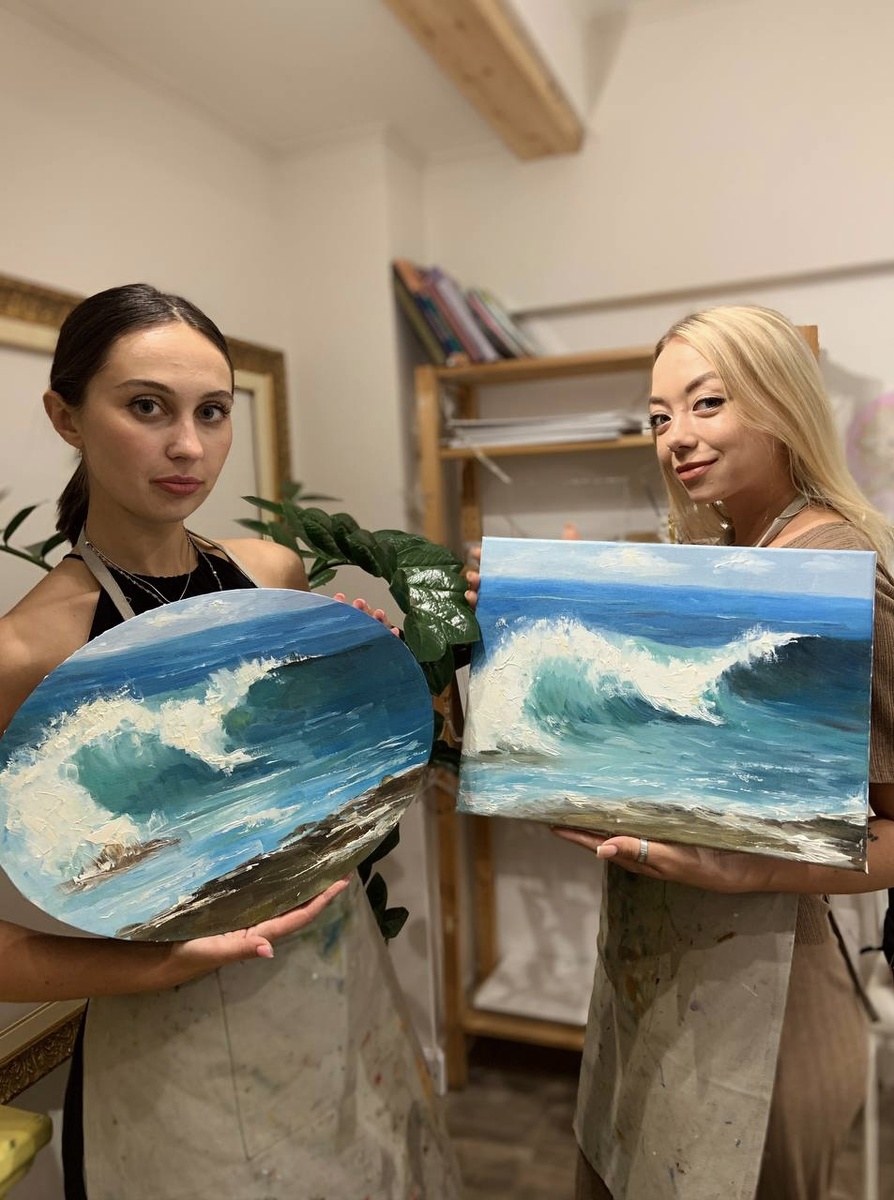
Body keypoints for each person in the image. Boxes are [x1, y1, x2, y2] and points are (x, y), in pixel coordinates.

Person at [0, 283, 459, 1199]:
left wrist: (366, 690)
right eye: (147, 408)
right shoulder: (29, 654)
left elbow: (330, 792)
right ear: (66, 417)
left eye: (212, 412)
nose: (189, 446)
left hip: (339, 982)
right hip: (171, 1045)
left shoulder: (272, 574)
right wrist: (162, 963)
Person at [465, 304, 894, 1200]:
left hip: (770, 998)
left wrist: (740, 872)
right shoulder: (729, 555)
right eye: (659, 417)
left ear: (781, 400)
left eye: (707, 404)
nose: (676, 438)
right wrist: (546, 613)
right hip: (657, 969)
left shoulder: (844, 568)